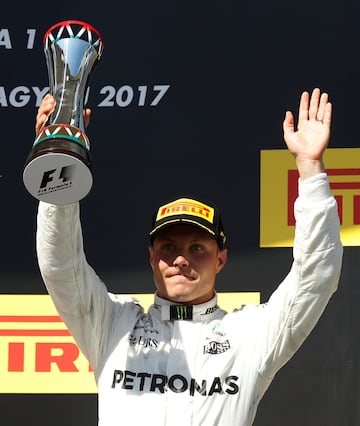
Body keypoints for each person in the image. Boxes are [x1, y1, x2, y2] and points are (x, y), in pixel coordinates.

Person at [35, 88, 343, 426]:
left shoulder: (250, 335)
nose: (181, 259)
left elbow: (316, 276)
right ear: (152, 257)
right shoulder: (112, 325)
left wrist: (311, 169)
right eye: (168, 248)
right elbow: (61, 264)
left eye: (197, 249)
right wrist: (59, 159)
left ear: (220, 260)